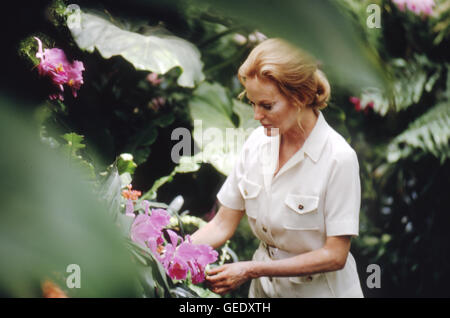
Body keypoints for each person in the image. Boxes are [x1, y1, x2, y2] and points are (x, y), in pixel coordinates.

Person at [191, 38, 364, 298]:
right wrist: (169, 256)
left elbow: (335, 255)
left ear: (301, 97)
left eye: (267, 105)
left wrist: (252, 269)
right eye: (252, 103)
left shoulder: (339, 158)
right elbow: (221, 225)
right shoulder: (256, 143)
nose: (256, 115)